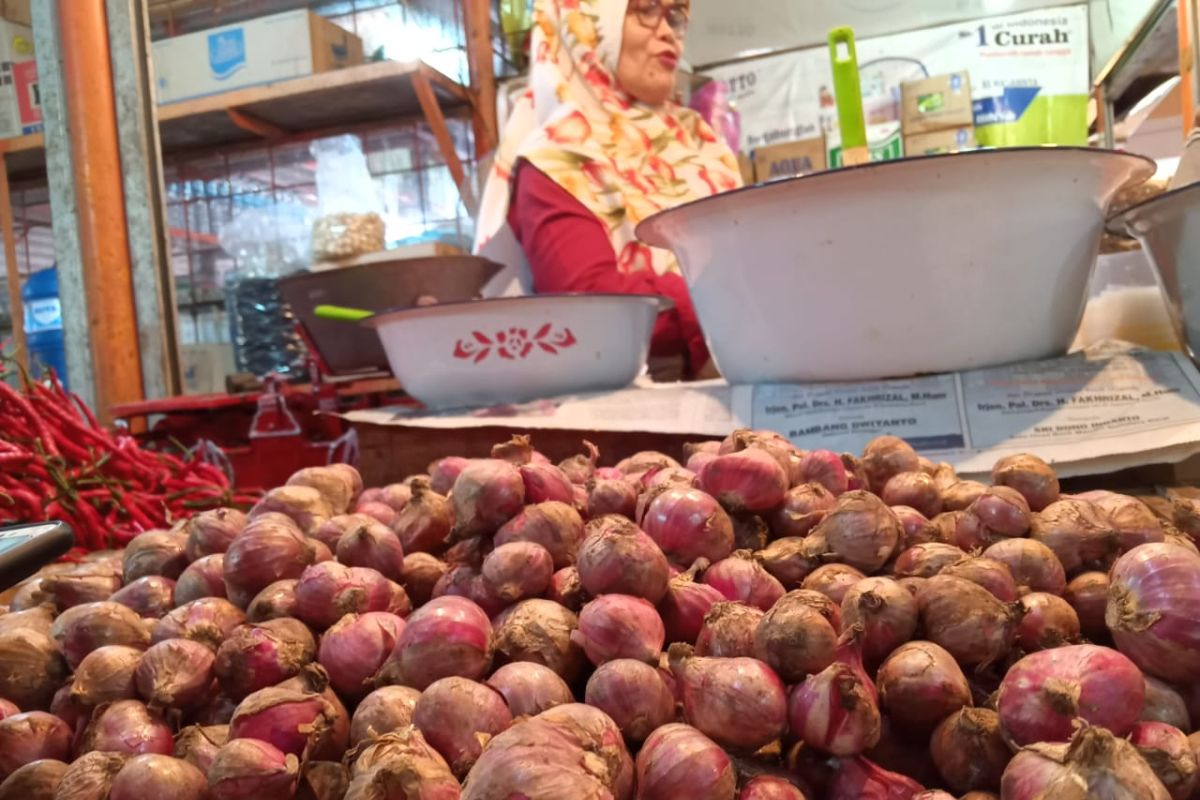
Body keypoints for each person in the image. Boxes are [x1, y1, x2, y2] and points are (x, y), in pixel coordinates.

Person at [474, 0, 742, 380]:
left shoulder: (700, 142)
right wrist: (707, 305)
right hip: (638, 408)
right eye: (646, 9)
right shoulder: (557, 157)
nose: (667, 31)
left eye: (677, 15)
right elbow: (591, 307)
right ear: (585, 21)